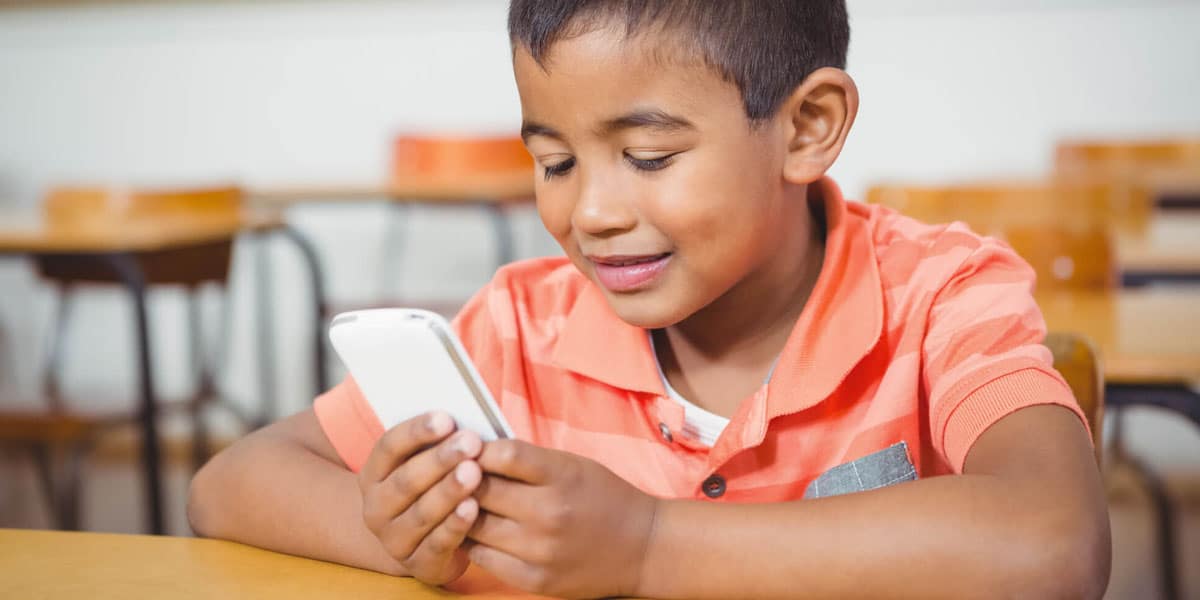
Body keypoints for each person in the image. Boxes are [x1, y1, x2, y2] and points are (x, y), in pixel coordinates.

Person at [188, 1, 1111, 597]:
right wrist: (409, 531)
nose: (589, 211)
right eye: (553, 162)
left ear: (808, 128)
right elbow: (229, 485)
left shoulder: (942, 295)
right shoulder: (522, 323)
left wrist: (647, 545)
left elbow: (1054, 542)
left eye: (650, 157)